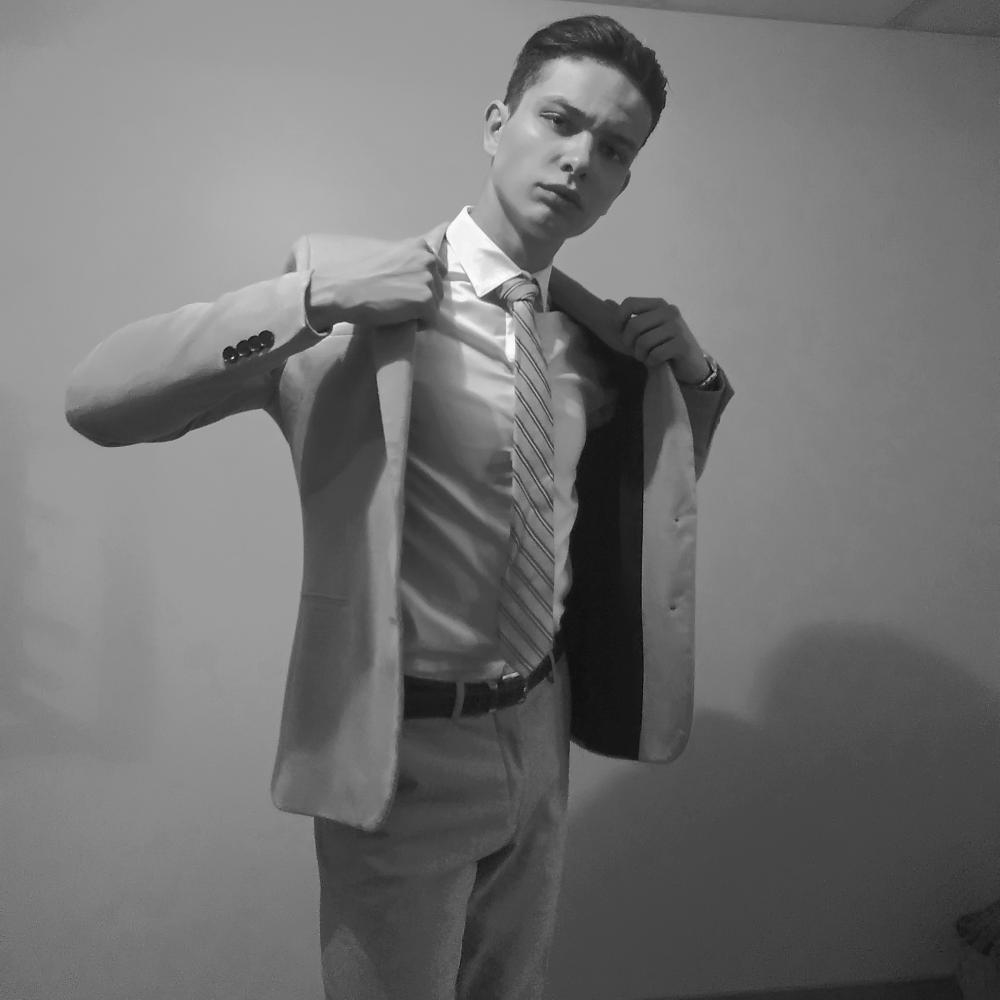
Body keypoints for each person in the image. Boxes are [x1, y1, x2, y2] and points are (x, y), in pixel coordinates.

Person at [65, 14, 733, 1000]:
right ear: (497, 123)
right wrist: (304, 302)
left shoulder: (591, 344)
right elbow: (98, 400)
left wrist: (697, 375)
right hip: (402, 746)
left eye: (614, 148)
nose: (579, 159)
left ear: (622, 181)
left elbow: (649, 504)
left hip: (539, 724)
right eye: (559, 120)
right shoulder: (353, 310)